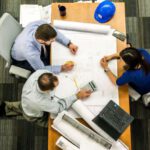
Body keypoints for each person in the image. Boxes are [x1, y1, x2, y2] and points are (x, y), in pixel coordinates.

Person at [0, 70, 92, 127]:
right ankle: (8, 109)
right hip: (33, 114)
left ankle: (6, 107)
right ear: (47, 91)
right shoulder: (41, 102)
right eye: (55, 87)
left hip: (26, 101)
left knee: (21, 106)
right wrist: (77, 96)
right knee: (53, 123)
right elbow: (59, 108)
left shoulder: (39, 73)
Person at [11, 20, 78, 72]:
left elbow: (54, 32)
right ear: (41, 41)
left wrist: (69, 43)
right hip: (21, 60)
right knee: (47, 64)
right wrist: (62, 68)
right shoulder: (31, 53)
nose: (54, 41)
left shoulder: (41, 24)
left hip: (20, 42)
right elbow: (41, 69)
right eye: (52, 40)